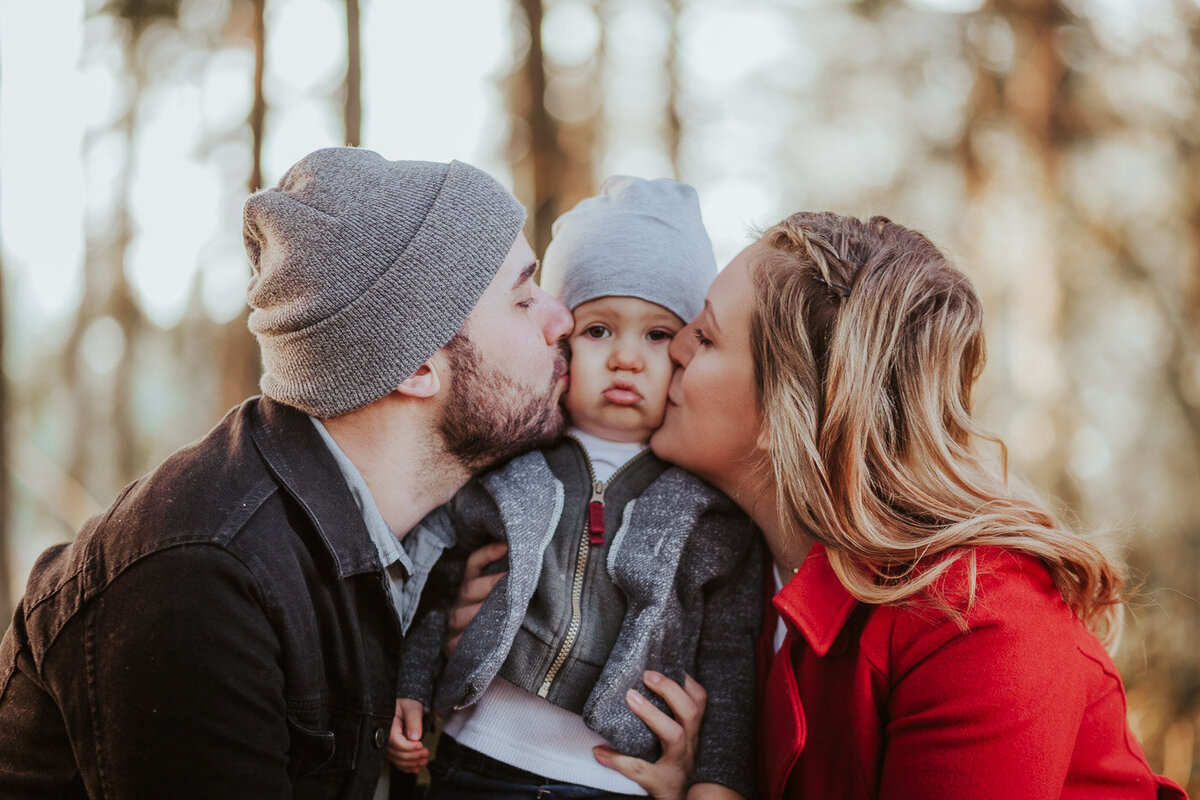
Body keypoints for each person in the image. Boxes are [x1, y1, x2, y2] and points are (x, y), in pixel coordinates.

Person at [0, 146, 578, 799]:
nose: (564, 318)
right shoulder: (202, 581)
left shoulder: (431, 550)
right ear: (416, 365)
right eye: (524, 298)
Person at [649, 211, 1190, 799]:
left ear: (790, 409)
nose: (672, 346)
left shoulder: (977, 622)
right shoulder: (719, 571)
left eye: (705, 337)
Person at [387, 177, 762, 800]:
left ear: (689, 350)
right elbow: (437, 578)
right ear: (559, 343)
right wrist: (411, 681)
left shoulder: (707, 507)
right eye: (598, 331)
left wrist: (719, 782)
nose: (625, 359)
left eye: (657, 334)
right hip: (475, 759)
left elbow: (729, 660)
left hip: (612, 780)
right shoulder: (508, 464)